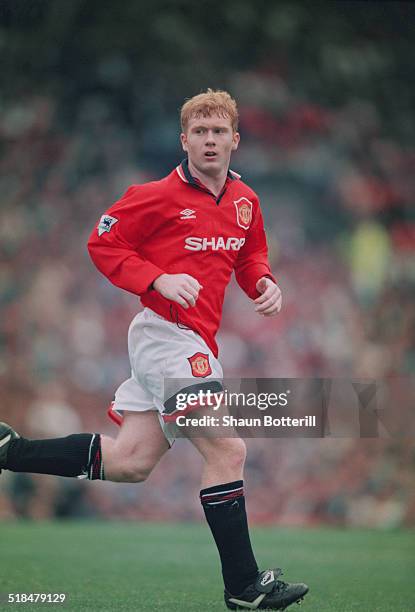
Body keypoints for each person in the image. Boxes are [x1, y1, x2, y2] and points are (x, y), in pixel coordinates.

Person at [0, 89, 308, 610]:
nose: (209, 141)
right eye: (199, 132)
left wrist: (265, 284)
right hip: (165, 334)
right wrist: (158, 278)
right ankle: (244, 587)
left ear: (235, 140)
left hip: (191, 339)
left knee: (131, 461)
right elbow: (103, 244)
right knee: (228, 449)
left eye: (218, 132)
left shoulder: (245, 201)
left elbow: (250, 255)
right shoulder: (154, 195)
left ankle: (10, 451)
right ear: (184, 139)